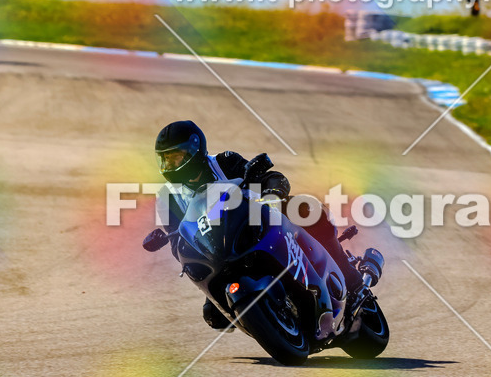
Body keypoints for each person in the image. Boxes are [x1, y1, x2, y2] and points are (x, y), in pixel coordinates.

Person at [154, 120, 365, 329]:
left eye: (176, 157)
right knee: (214, 317)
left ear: (194, 150)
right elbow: (177, 244)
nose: (170, 166)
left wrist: (272, 193)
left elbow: (267, 177)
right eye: (165, 160)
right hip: (218, 252)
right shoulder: (166, 198)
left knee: (307, 211)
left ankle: (353, 281)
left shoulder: (224, 162)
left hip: (254, 224)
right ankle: (274, 318)